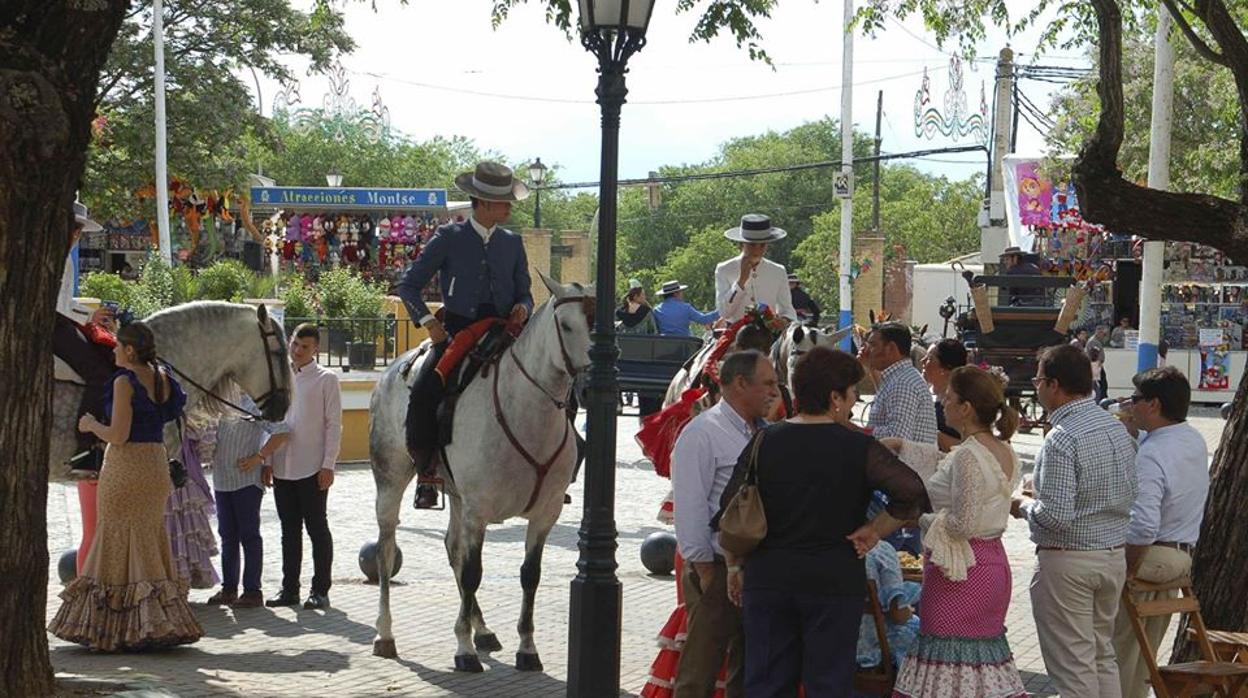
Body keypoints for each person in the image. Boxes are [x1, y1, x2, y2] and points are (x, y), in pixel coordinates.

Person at [719, 346, 928, 697]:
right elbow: (913, 493)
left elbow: (731, 508)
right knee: (828, 683)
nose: (852, 405)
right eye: (851, 396)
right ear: (834, 397)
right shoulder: (858, 447)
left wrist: (734, 567)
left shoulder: (765, 440)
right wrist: (874, 531)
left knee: (766, 683)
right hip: (833, 577)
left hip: (769, 576)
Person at [49, 321, 203, 651]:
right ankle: (155, 622)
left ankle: (110, 627)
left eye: (118, 346)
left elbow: (118, 435)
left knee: (115, 540)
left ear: (130, 350)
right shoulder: (162, 377)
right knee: (147, 539)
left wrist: (91, 424)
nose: (114, 350)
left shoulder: (123, 380)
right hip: (154, 466)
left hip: (125, 467)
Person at [881, 366, 1028, 697]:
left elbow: (963, 523)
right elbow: (947, 463)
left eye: (948, 398)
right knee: (978, 664)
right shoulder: (1003, 449)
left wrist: (919, 519)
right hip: (991, 565)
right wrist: (904, 445)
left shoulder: (969, 456)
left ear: (966, 408)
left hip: (961, 571)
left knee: (946, 660)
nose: (941, 402)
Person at [395, 161, 533, 509]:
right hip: (457, 331)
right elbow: (408, 286)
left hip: (506, 332)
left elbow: (525, 293)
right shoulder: (448, 237)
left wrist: (524, 308)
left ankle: (546, 474)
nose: (510, 207)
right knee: (426, 391)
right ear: (483, 203)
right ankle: (427, 471)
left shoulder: (513, 243)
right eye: (504, 201)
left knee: (550, 385)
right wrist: (429, 322)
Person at [1011, 344, 1138, 698]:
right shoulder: (1116, 429)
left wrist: (1021, 504)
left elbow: (1056, 517)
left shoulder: (1062, 437)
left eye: (1037, 380)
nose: (1036, 387)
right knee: (1101, 656)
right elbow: (1128, 491)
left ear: (1053, 384)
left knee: (1073, 668)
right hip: (1111, 555)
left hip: (1070, 560)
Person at [671, 350, 780, 697]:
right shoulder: (703, 432)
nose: (774, 392)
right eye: (767, 384)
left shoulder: (766, 432)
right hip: (716, 567)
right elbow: (689, 507)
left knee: (748, 669)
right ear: (739, 384)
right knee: (699, 670)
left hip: (758, 568)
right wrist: (704, 569)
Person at [1112, 367, 1209, 698]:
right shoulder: (1190, 437)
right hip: (1179, 556)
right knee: (1144, 651)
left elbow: (1143, 525)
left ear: (1152, 405)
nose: (1130, 404)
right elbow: (1164, 450)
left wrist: (1125, 568)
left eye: (1136, 400)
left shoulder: (1153, 454)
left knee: (1119, 650)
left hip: (1151, 554)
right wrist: (1133, 434)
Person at [265, 323, 342, 610]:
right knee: (289, 530)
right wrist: (268, 460)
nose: (298, 350)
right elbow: (272, 420)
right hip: (283, 465)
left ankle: (320, 590)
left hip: (313, 466)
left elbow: (334, 425)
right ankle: (289, 590)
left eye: (305, 346)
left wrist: (328, 464)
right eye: (295, 344)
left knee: (317, 528)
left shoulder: (326, 379)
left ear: (315, 349)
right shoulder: (280, 376)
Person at [206, 392, 290, 609]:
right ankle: (229, 589)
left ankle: (253, 591)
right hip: (221, 479)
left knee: (249, 535)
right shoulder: (218, 401)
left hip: (247, 482)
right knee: (227, 536)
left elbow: (281, 432)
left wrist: (259, 457)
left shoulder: (254, 404)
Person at [54, 201, 118, 478]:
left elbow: (65, 302)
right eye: (73, 228)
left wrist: (91, 316)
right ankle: (84, 448)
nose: (76, 234)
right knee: (101, 374)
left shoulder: (63, 256)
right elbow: (57, 306)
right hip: (52, 326)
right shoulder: (54, 255)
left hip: (60, 322)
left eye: (79, 230)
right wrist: (90, 318)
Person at [862, 323, 938, 450]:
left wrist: (857, 430)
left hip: (904, 468)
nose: (866, 350)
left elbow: (897, 438)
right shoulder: (897, 377)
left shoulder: (904, 383)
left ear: (891, 348)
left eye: (873, 345)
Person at [715, 214, 797, 324]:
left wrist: (783, 320)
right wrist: (741, 281)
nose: (757, 250)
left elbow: (787, 309)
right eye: (752, 245)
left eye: (762, 245)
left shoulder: (778, 271)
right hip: (735, 335)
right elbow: (724, 312)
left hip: (769, 334)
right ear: (742, 244)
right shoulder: (724, 269)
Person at [856, 539, 921, 673]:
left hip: (831, 644)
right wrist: (908, 611)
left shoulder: (826, 549)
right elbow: (898, 615)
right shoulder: (881, 551)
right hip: (872, 649)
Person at [921, 338, 968, 452]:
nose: (922, 361)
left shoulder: (959, 403)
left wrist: (931, 434)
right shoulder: (924, 391)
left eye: (929, 358)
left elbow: (966, 447)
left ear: (945, 368)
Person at [653, 280, 719, 337]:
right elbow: (703, 319)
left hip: (664, 345)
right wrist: (721, 311)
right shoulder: (686, 307)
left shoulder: (656, 310)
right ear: (675, 293)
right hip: (685, 345)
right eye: (681, 291)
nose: (682, 294)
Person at [1088, 325, 1110, 401]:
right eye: (1103, 334)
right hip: (1095, 365)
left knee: (1102, 383)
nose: (1104, 336)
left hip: (1097, 364)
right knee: (1099, 384)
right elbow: (1094, 355)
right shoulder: (1093, 341)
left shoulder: (1097, 341)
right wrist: (1099, 363)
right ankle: (1100, 399)